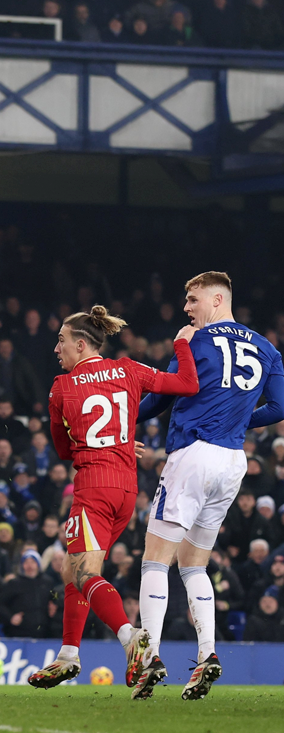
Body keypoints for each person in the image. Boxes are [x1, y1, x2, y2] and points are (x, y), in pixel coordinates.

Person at [29, 305, 198, 690]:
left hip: (93, 487)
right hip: (126, 489)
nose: (56, 349)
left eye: (61, 341)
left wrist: (100, 446)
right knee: (72, 569)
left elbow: (63, 450)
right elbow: (188, 384)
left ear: (81, 344)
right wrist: (181, 345)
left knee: (84, 572)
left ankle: (131, 637)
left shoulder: (62, 386)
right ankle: (68, 655)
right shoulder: (129, 369)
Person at [135, 272, 284, 700]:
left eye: (192, 299)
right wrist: (237, 422)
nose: (187, 307)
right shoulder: (268, 348)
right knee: (194, 565)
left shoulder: (196, 341)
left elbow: (163, 396)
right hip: (233, 460)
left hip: (194, 453)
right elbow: (279, 407)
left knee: (154, 561)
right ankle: (207, 654)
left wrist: (121, 420)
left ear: (217, 300)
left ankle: (150, 658)